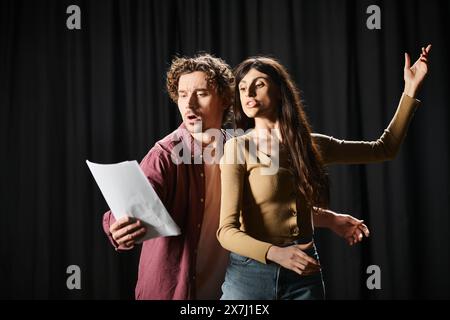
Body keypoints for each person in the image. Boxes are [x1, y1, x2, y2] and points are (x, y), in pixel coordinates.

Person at [102, 53, 369, 300]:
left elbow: (267, 211)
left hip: (231, 289)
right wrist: (118, 225)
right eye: (182, 95)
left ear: (226, 98)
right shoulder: (166, 155)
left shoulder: (241, 146)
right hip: (176, 291)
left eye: (201, 93)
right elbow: (133, 202)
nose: (189, 103)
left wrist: (331, 219)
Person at [217, 45, 431, 300]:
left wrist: (410, 90)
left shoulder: (311, 145)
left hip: (303, 274)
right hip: (250, 275)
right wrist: (277, 253)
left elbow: (382, 149)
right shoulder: (237, 147)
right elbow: (226, 232)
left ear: (279, 90)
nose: (248, 92)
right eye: (242, 88)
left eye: (259, 84)